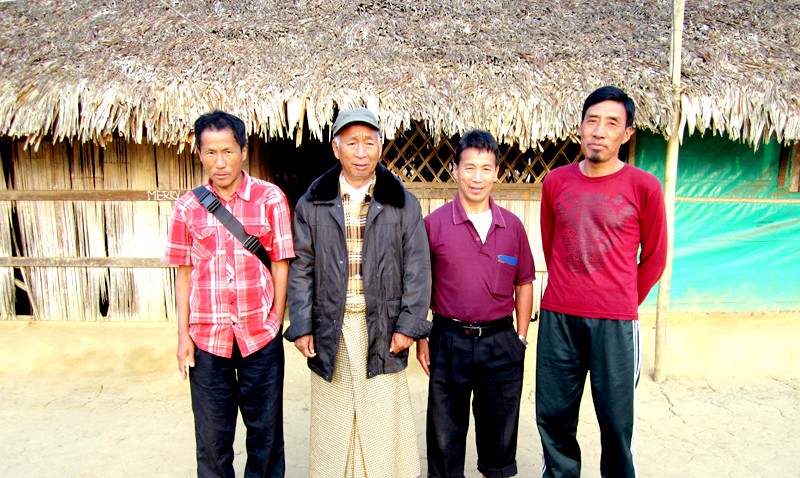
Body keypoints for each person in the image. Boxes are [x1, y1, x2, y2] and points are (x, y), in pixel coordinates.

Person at [285, 107, 432, 478]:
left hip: (382, 327)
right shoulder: (312, 203)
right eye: (352, 143)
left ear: (381, 146)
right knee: (335, 422)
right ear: (337, 149)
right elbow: (301, 269)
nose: (361, 151)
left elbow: (418, 269)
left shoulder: (403, 203)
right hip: (330, 326)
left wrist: (408, 327)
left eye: (369, 142)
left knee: (382, 421)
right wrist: (301, 325)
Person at [536, 86, 668, 478]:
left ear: (626, 134)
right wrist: (570, 288)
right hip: (559, 317)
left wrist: (623, 300)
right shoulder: (556, 182)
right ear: (579, 127)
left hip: (616, 323)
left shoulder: (644, 187)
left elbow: (655, 256)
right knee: (555, 417)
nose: (599, 131)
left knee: (615, 423)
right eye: (592, 121)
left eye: (612, 123)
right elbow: (551, 243)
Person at [164, 110, 294, 478]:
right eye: (210, 152)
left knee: (266, 439)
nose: (219, 163)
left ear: (244, 150)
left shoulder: (270, 198)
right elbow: (184, 272)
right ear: (199, 153)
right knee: (211, 442)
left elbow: (281, 262)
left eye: (228, 152)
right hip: (206, 339)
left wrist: (275, 320)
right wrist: (182, 337)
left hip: (260, 337)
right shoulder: (188, 206)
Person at [417, 129, 536, 478]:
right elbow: (420, 286)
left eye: (486, 168)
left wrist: (521, 337)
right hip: (448, 340)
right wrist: (422, 336)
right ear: (455, 169)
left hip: (501, 343)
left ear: (497, 173)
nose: (477, 177)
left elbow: (525, 282)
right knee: (444, 434)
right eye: (470, 168)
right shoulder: (433, 225)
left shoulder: (512, 227)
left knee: (499, 435)